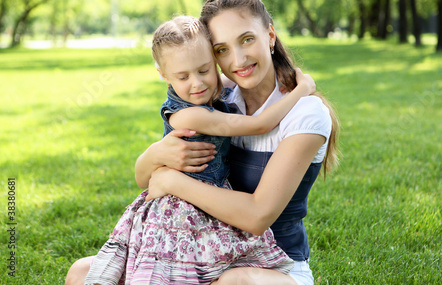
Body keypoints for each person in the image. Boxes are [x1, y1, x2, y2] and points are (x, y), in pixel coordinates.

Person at [77, 15, 316, 285]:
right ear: (163, 75)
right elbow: (260, 124)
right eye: (183, 76)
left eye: (204, 70)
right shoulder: (189, 116)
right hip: (181, 216)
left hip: (200, 207)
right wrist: (303, 88)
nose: (197, 83)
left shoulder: (217, 95)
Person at [140, 0, 340, 284]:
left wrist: (172, 181)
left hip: (275, 266)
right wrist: (155, 155)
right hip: (208, 253)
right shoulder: (215, 98)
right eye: (222, 49)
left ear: (270, 35)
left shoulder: (306, 114)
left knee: (235, 282)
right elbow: (144, 179)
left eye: (247, 39)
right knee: (83, 273)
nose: (238, 59)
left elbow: (257, 216)